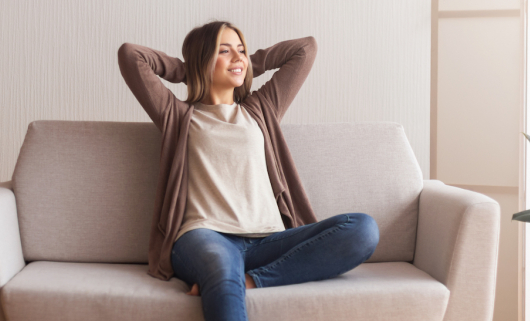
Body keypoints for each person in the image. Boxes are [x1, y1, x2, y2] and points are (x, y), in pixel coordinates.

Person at [117, 20, 380, 321]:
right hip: (204, 236)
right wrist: (189, 68)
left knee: (362, 229)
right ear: (203, 60)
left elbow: (305, 49)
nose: (237, 57)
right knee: (220, 265)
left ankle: (252, 280)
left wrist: (247, 62)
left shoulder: (260, 109)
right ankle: (226, 277)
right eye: (224, 50)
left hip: (268, 240)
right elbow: (131, 55)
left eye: (240, 49)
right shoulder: (177, 116)